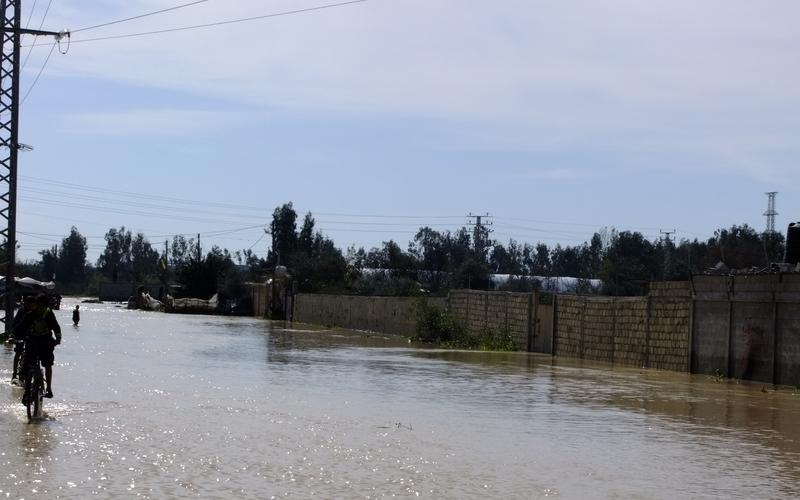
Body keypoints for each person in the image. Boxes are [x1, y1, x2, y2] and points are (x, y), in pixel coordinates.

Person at [13, 294, 61, 398]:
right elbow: (21, 325)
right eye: (38, 305)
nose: (39, 308)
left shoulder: (49, 314)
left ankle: (48, 388)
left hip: (46, 342)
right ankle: (26, 391)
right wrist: (13, 334)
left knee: (48, 364)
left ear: (46, 306)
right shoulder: (30, 314)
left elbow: (56, 328)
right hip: (32, 342)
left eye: (42, 306)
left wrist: (58, 339)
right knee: (27, 366)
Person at [10, 296, 35, 384]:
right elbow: (15, 324)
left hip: (31, 335)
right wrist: (13, 334)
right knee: (18, 353)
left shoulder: (36, 312)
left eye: (32, 305)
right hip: (20, 334)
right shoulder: (21, 311)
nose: (30, 307)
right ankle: (14, 374)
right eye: (28, 305)